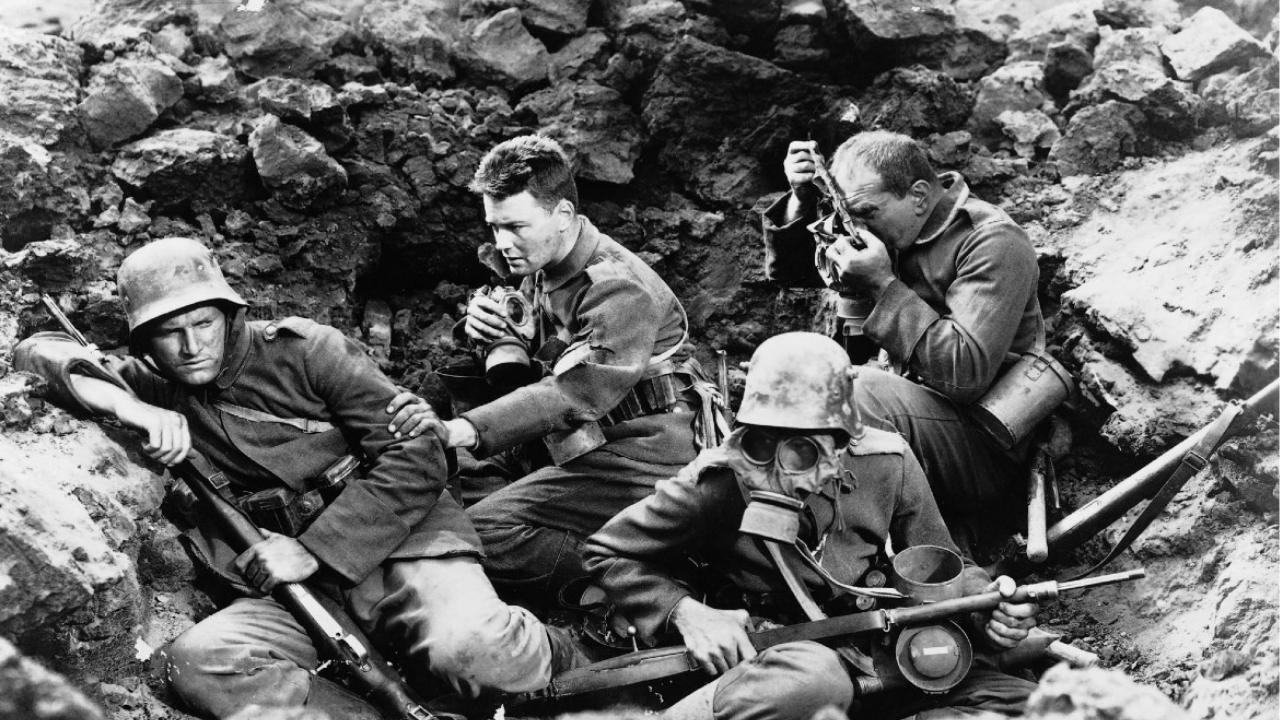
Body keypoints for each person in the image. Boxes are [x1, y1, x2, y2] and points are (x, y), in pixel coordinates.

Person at [14, 237, 579, 720]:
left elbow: (417, 454)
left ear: (228, 314)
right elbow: (35, 351)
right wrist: (132, 408)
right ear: (145, 342)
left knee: (477, 654)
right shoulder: (154, 384)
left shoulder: (306, 351)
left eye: (203, 323)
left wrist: (315, 550)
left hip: (402, 548)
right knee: (199, 663)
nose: (191, 346)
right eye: (169, 332)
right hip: (290, 593)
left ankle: (571, 655)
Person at [582, 332, 1040, 720]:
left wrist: (986, 608)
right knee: (813, 684)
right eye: (767, 440)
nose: (785, 464)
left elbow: (942, 566)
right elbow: (606, 551)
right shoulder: (720, 481)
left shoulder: (887, 462)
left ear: (844, 439)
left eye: (809, 446)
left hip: (873, 653)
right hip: (777, 662)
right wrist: (686, 613)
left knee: (1033, 705)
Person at [388, 135, 718, 601]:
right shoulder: (545, 262)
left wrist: (464, 428)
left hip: (644, 453)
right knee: (440, 479)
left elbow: (575, 392)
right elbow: (536, 352)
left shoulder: (619, 287)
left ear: (563, 215)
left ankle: (640, 577)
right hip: (581, 437)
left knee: (481, 534)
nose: (502, 243)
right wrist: (484, 329)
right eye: (494, 226)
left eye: (516, 226)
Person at [758, 130, 1047, 518]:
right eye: (848, 214)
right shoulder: (894, 226)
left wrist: (882, 284)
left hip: (983, 447)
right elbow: (791, 274)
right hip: (912, 418)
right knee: (789, 369)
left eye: (866, 213)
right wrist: (801, 199)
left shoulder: (992, 241)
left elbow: (965, 375)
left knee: (855, 390)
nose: (857, 229)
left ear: (919, 196)